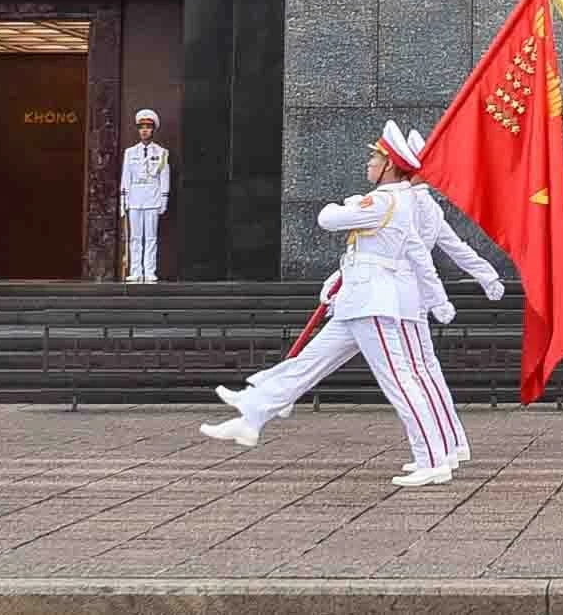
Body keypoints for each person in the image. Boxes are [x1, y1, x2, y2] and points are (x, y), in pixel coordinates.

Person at [200, 122, 505, 487]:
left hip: (376, 303)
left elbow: (327, 219)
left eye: (375, 158)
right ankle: (252, 414)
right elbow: (406, 253)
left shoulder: (386, 201)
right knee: (309, 363)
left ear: (390, 165)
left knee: (401, 381)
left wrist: (444, 294)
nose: (369, 164)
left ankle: (434, 458)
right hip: (359, 299)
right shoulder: (399, 202)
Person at [122, 108, 174, 284]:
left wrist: (163, 199)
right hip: (135, 197)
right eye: (141, 127)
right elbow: (125, 177)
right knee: (135, 237)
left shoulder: (161, 153)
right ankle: (135, 270)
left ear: (153, 130)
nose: (144, 130)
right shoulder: (130, 152)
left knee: (151, 237)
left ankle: (150, 271)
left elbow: (164, 177)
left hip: (152, 197)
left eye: (148, 127)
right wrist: (124, 201)